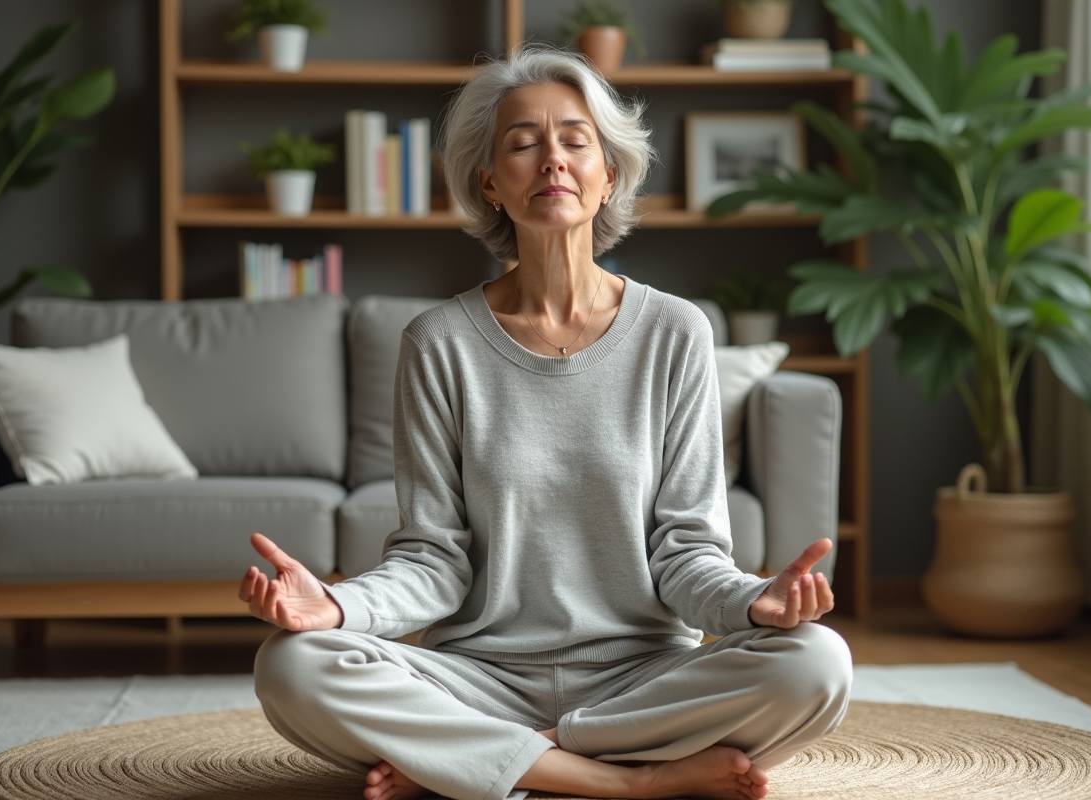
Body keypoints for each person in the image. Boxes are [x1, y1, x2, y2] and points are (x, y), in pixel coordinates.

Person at [240, 46, 852, 800]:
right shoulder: (438, 344)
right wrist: (338, 606)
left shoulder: (675, 333)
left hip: (643, 679)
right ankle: (628, 782)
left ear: (609, 175)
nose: (552, 160)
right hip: (479, 677)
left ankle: (497, 761)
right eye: (524, 143)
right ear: (491, 184)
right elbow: (436, 558)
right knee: (291, 665)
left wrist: (747, 603)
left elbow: (685, 548)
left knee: (817, 663)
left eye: (575, 140)